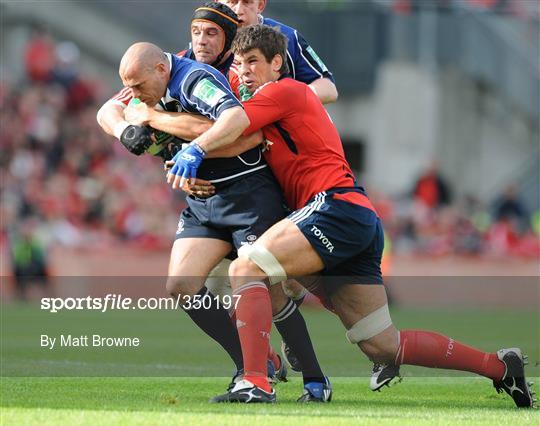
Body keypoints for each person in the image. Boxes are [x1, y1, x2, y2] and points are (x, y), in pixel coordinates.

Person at [168, 24, 534, 407]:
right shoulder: (270, 106)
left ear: (278, 64)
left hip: (333, 208)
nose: (243, 71)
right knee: (382, 344)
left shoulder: (282, 91)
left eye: (254, 62)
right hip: (352, 218)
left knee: (246, 269)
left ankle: (257, 380)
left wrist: (180, 141)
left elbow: (229, 127)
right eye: (239, 63)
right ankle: (499, 366)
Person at [98, 3, 331, 402]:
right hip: (205, 201)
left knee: (269, 291)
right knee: (182, 286)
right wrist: (126, 130)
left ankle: (314, 378)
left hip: (249, 194)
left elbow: (240, 131)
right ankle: (252, 365)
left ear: (228, 37)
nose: (201, 41)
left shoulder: (202, 77)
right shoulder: (166, 69)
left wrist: (155, 121)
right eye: (196, 32)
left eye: (211, 34)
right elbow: (111, 107)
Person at [218, 0, 338, 104]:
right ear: (217, 2)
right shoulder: (204, 38)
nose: (238, 10)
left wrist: (285, 99)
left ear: (260, 5)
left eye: (247, 2)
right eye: (231, 2)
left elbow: (328, 88)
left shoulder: (285, 37)